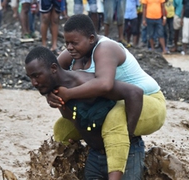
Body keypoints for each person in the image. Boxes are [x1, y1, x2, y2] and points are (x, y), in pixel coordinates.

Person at [47, 14, 166, 179]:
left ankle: (119, 160)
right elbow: (50, 74)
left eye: (74, 43)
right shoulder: (73, 53)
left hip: (147, 101)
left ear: (90, 39)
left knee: (115, 118)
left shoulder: (105, 48)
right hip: (115, 102)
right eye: (66, 43)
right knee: (62, 127)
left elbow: (105, 84)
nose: (69, 47)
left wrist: (68, 94)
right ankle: (74, 166)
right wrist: (51, 95)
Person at [25, 46, 146, 179]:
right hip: (95, 155)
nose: (34, 83)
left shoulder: (85, 83)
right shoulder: (55, 93)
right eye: (30, 77)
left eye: (36, 76)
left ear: (53, 69)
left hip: (126, 154)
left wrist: (128, 135)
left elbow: (135, 92)